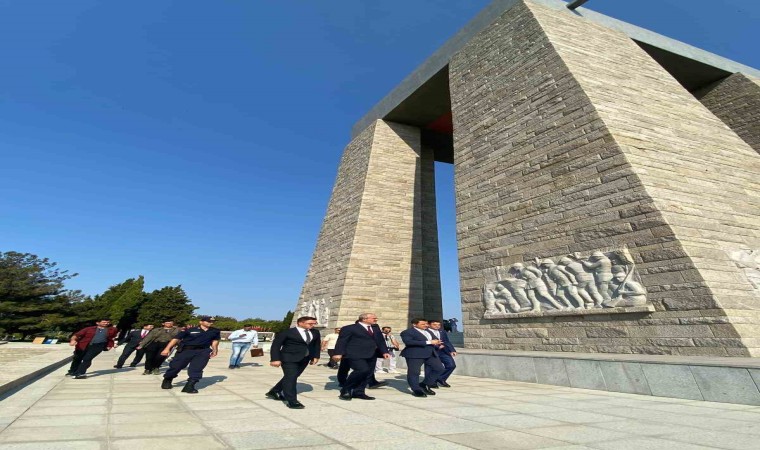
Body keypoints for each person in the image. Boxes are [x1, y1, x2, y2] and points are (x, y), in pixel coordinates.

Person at [265, 316, 321, 409]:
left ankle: (274, 391)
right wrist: (275, 359)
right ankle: (292, 401)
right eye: (310, 323)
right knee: (291, 378)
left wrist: (316, 356)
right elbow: (276, 346)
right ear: (300, 323)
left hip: (305, 359)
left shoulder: (315, 332)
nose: (313, 325)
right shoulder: (287, 332)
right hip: (288, 358)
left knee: (291, 376)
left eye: (314, 323)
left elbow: (316, 345)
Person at [332, 313, 390, 401]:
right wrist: (338, 353)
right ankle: (346, 389)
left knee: (367, 373)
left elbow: (380, 340)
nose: (376, 319)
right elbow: (342, 341)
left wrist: (384, 351)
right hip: (354, 354)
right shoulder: (349, 328)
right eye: (373, 318)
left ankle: (359, 392)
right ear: (364, 319)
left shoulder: (375, 327)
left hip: (371, 354)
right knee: (362, 370)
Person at [160, 316, 220, 393]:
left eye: (212, 322)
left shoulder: (215, 331)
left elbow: (215, 341)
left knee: (197, 368)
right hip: (186, 350)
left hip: (203, 351)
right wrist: (167, 349)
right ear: (201, 322)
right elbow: (176, 338)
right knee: (176, 366)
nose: (211, 323)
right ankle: (168, 379)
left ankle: (190, 386)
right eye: (208, 321)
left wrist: (215, 350)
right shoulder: (190, 329)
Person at [399, 318, 444, 397]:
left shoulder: (428, 331)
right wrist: (429, 342)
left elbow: (434, 340)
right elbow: (408, 342)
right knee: (414, 372)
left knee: (439, 368)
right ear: (414, 324)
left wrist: (437, 343)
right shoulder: (407, 332)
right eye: (423, 324)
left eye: (426, 324)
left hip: (430, 353)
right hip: (415, 354)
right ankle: (416, 389)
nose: (426, 325)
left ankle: (424, 384)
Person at [427, 319, 457, 387]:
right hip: (432, 352)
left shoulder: (442, 331)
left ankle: (441, 378)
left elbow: (447, 341)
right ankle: (431, 382)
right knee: (433, 368)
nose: (437, 326)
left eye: (439, 325)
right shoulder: (426, 332)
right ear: (429, 325)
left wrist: (452, 350)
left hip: (443, 352)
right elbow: (426, 342)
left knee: (451, 365)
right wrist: (437, 346)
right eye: (434, 324)